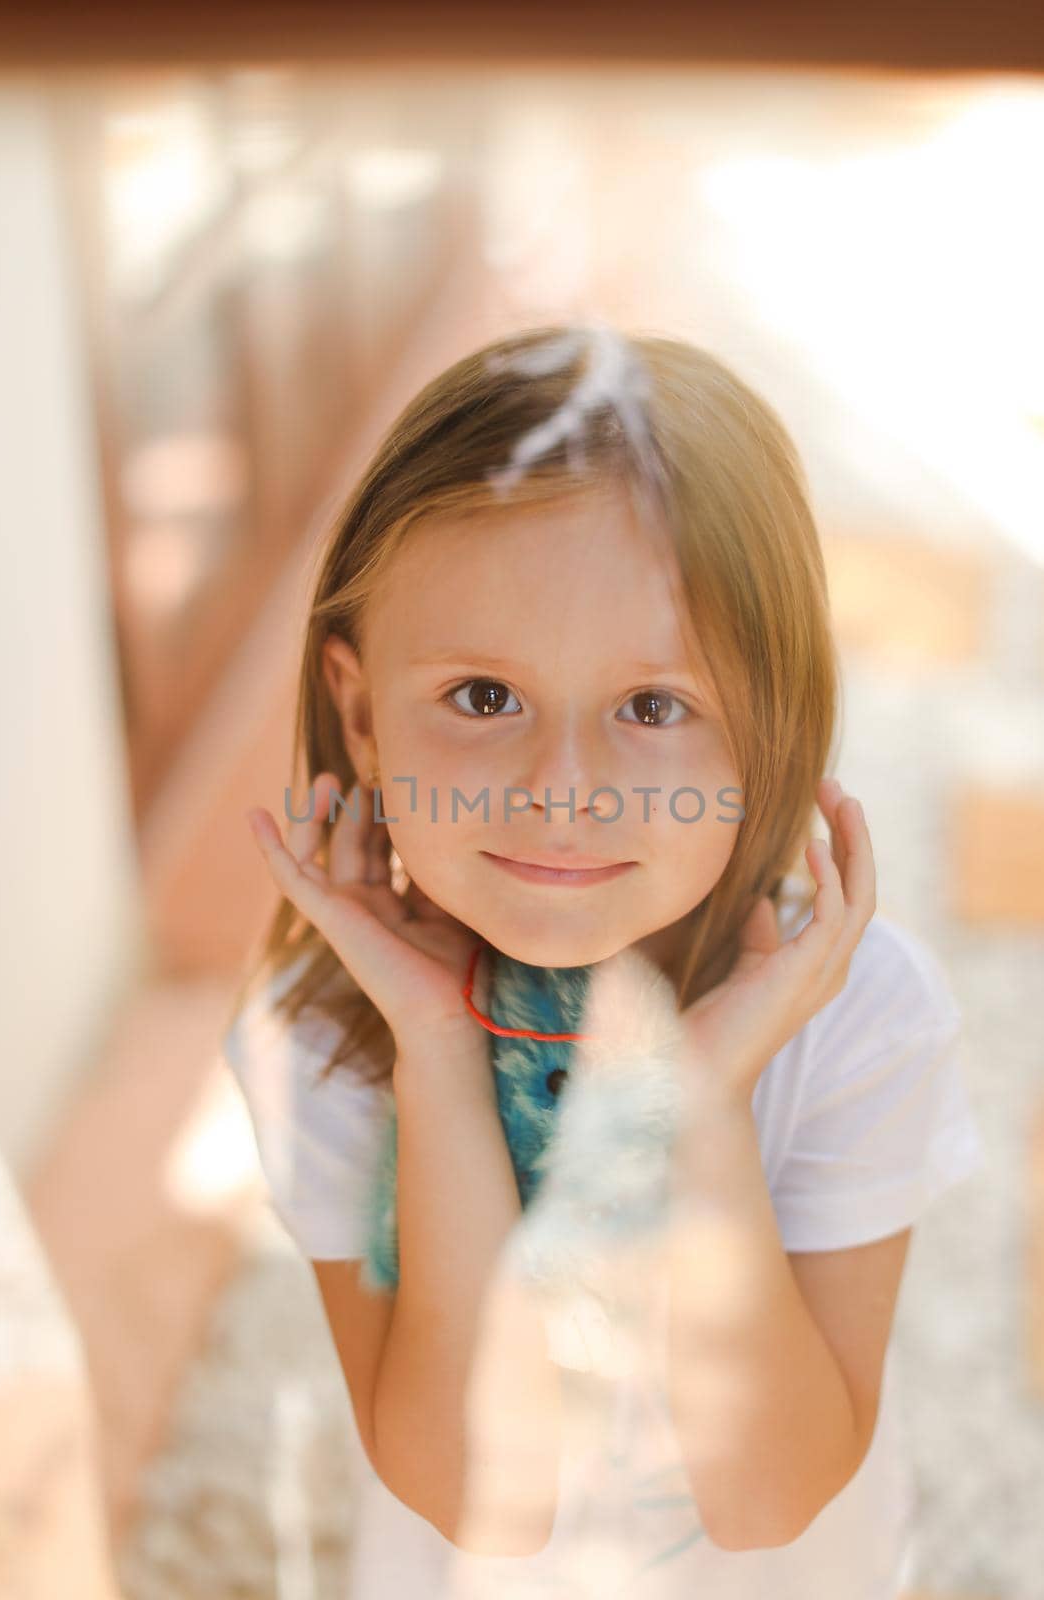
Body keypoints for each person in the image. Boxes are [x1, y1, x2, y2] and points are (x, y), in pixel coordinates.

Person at [222, 322, 985, 1599]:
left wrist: (696, 1099)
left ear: (772, 728)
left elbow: (769, 1499)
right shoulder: (325, 1033)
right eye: (482, 698)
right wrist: (437, 1050)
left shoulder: (860, 1018)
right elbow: (478, 1503)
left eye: (650, 708)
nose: (559, 793)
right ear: (360, 715)